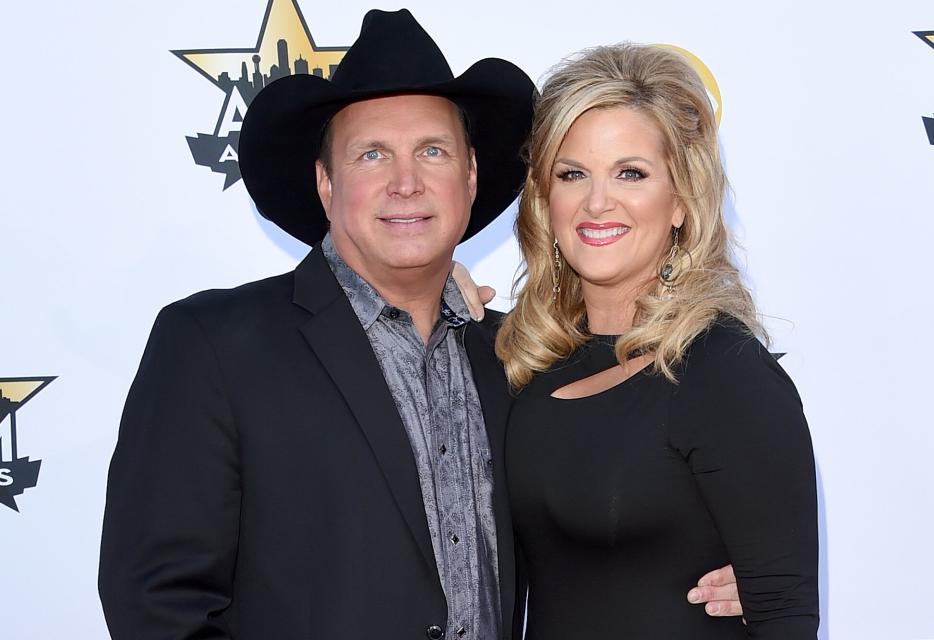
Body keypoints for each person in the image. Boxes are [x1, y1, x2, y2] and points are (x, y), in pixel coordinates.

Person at [98, 10, 743, 639]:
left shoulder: (522, 355)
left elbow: (599, 516)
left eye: (432, 152)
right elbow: (159, 606)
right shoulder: (214, 345)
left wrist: (732, 569)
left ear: (468, 177)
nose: (406, 183)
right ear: (326, 184)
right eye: (372, 155)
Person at [493, 44, 819, 638]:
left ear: (680, 202)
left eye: (631, 173)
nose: (597, 202)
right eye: (573, 174)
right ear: (545, 200)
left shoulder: (724, 372)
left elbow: (785, 615)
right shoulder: (528, 360)